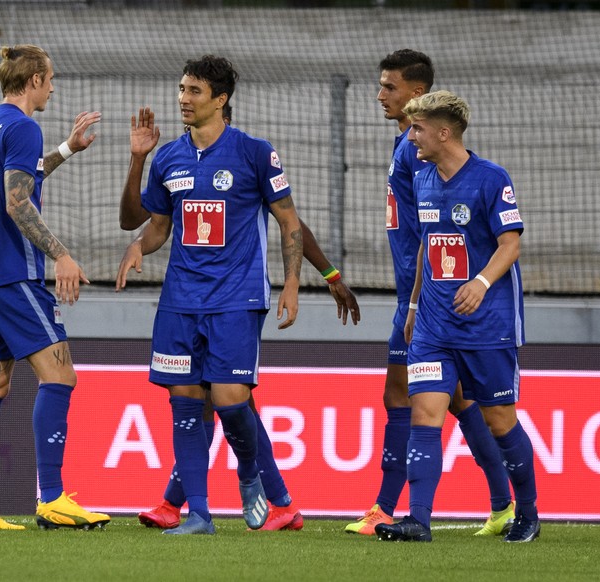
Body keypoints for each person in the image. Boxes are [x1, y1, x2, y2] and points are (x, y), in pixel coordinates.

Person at [119, 106, 360, 532]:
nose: (183, 100)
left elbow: (291, 220)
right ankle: (196, 512)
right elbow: (148, 223)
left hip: (236, 299)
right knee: (191, 405)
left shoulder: (253, 153)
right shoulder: (171, 157)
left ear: (221, 102)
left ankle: (254, 482)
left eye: (194, 91)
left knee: (230, 401)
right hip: (182, 302)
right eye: (182, 90)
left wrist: (309, 279)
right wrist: (139, 241)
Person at [346, 49, 515, 537]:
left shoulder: (413, 151)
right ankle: (502, 501)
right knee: (456, 402)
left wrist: (417, 300)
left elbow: (434, 234)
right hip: (420, 292)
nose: (381, 95)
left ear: (417, 94)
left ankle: (385, 508)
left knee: (401, 394)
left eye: (389, 87)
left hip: (426, 296)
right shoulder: (409, 146)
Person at [0, 44, 110, 531]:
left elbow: (19, 177)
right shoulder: (23, 125)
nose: (54, 87)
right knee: (60, 376)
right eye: (51, 79)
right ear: (36, 79)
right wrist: (60, 254)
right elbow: (17, 199)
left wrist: (66, 149)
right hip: (12, 273)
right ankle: (53, 499)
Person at [375, 90, 539, 543]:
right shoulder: (423, 178)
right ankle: (418, 520)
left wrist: (481, 283)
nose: (411, 138)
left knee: (499, 421)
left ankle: (527, 512)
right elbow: (428, 248)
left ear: (444, 132)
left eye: (418, 129)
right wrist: (411, 307)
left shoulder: (490, 178)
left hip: (486, 324)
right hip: (432, 324)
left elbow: (511, 244)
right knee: (425, 413)